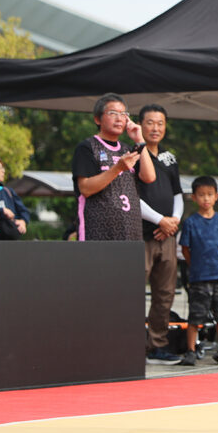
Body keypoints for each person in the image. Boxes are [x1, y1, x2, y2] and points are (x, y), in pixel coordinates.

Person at [136, 104, 183, 365]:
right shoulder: (132, 155)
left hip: (168, 236)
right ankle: (131, 345)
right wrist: (160, 220)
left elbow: (178, 194)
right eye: (150, 122)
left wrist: (173, 222)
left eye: (160, 123)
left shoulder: (169, 158)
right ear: (140, 125)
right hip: (142, 235)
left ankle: (157, 345)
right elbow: (131, 197)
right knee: (133, 290)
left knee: (165, 293)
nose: (156, 128)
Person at [71, 93, 155, 241]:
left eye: (123, 114)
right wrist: (117, 168)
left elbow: (149, 177)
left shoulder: (128, 149)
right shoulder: (87, 147)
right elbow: (85, 188)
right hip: (98, 232)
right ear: (97, 119)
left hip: (131, 231)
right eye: (113, 113)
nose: (119, 118)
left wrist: (140, 140)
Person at [179, 176, 218, 366]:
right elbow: (185, 249)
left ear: (216, 196)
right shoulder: (190, 222)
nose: (206, 198)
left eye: (210, 194)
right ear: (194, 197)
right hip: (199, 276)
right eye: (201, 195)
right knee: (195, 315)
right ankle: (191, 351)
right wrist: (195, 264)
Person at [0, 157, 29, 236]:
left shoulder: (8, 192)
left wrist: (23, 221)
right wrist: (1, 211)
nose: (3, 171)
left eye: (3, 168)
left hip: (9, 238)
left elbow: (23, 211)